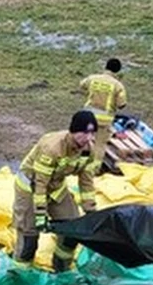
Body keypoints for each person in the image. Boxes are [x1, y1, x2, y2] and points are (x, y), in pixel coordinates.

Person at [12, 111, 100, 272]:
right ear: (73, 131)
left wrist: (91, 211)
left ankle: (61, 269)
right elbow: (40, 183)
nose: (89, 138)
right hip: (31, 189)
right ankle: (21, 275)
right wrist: (40, 214)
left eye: (92, 133)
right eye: (84, 133)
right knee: (29, 238)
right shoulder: (52, 148)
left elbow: (86, 182)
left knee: (73, 230)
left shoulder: (88, 150)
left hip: (56, 188)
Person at [79, 58, 127, 172]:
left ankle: (79, 164)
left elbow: (82, 85)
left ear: (106, 67)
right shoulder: (118, 85)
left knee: (84, 140)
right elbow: (122, 105)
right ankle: (93, 170)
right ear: (118, 71)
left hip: (88, 116)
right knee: (99, 145)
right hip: (104, 121)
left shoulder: (93, 78)